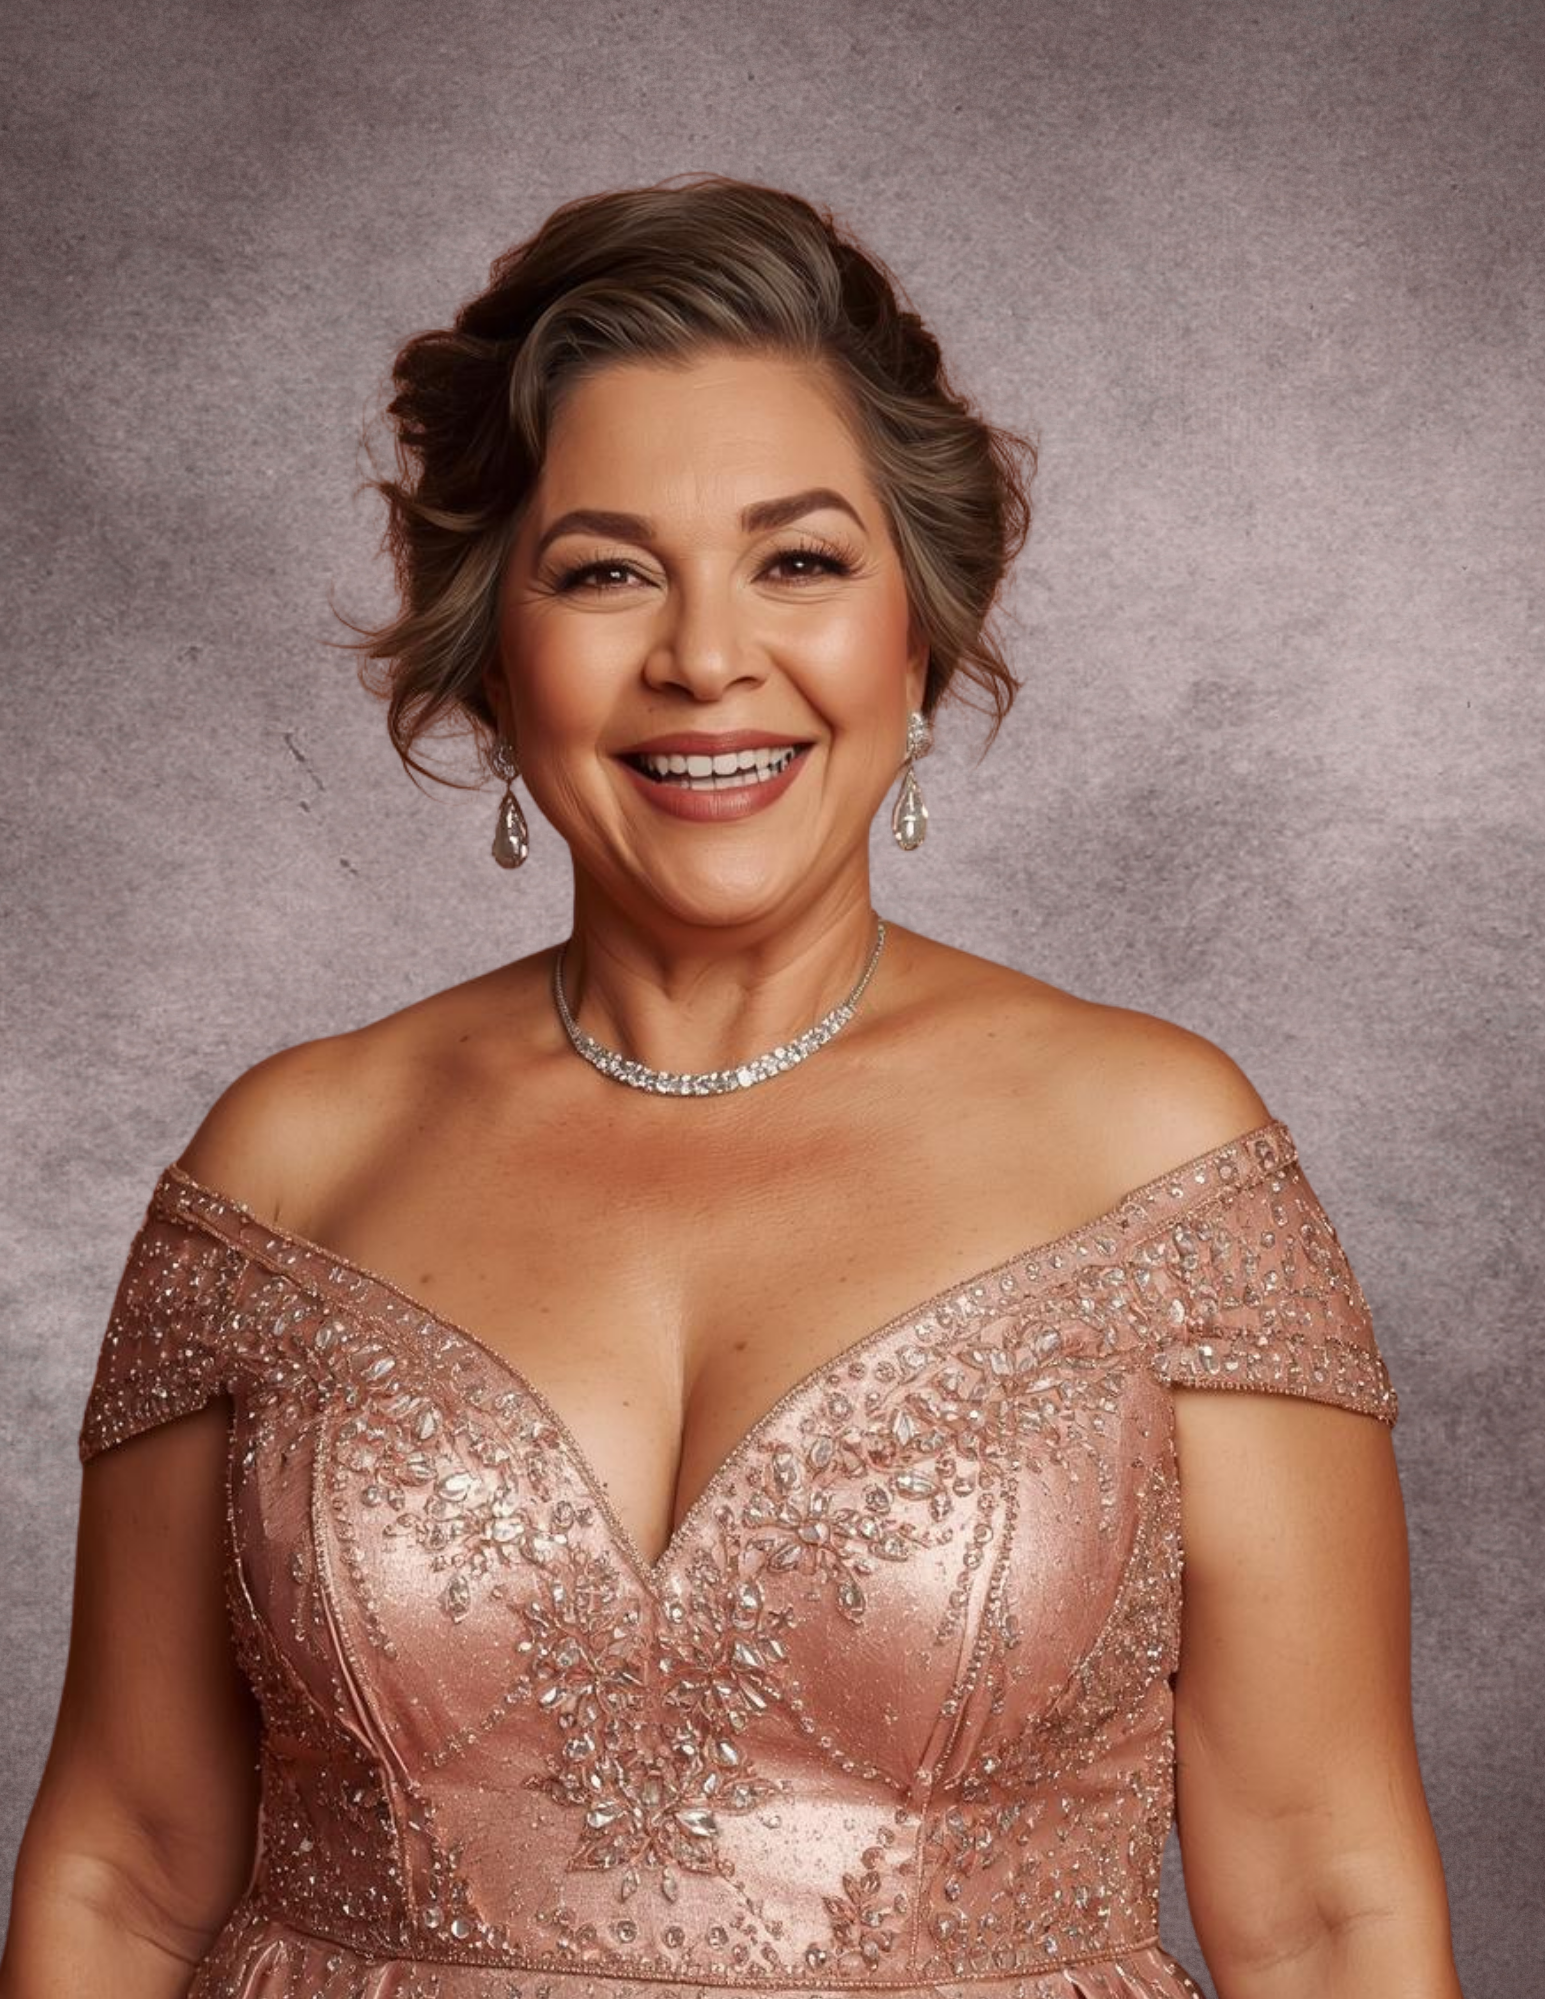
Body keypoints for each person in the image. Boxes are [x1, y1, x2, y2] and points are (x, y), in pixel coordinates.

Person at [1, 175, 1463, 1999]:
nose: (705, 657)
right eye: (606, 569)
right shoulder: (289, 1166)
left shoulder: (1157, 1158)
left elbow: (1330, 1907)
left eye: (801, 560)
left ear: (916, 630)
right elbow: (125, 1873)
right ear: (492, 649)